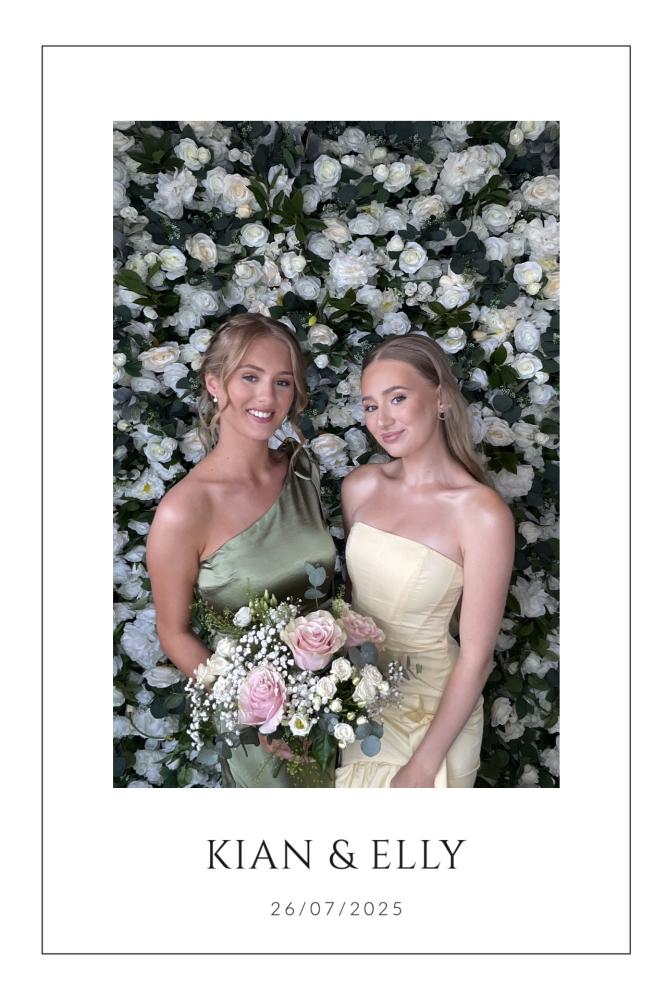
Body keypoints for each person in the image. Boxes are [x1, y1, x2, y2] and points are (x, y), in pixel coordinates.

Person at [146, 314, 336, 787]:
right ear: (215, 383)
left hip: (338, 707)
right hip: (261, 737)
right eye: (250, 377)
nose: (267, 397)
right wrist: (254, 713)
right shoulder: (184, 511)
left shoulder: (302, 471)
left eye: (282, 382)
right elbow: (173, 632)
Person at [335, 334, 514, 788]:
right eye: (371, 406)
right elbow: (353, 607)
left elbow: (477, 658)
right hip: (364, 703)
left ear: (439, 398)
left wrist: (421, 768)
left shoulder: (482, 513)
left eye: (397, 398)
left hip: (438, 713)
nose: (382, 420)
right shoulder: (360, 487)